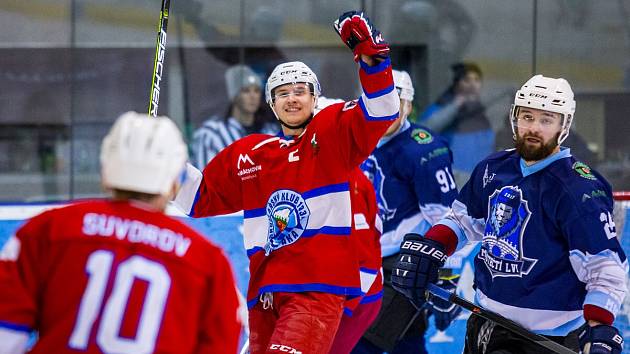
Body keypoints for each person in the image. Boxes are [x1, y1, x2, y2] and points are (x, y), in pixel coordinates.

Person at [172, 11, 398, 354]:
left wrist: (374, 61)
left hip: (315, 291)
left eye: (300, 91)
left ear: (315, 97)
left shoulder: (333, 135)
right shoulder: (250, 153)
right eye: (282, 93)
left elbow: (381, 112)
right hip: (264, 294)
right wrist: (163, 162)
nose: (292, 98)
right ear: (271, 103)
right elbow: (196, 200)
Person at [392, 75, 628, 354]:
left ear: (564, 125)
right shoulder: (494, 168)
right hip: (484, 325)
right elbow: (463, 220)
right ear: (514, 118)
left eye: (546, 120)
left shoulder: (579, 188)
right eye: (527, 117)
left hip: (547, 341)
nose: (533, 128)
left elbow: (604, 267)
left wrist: (599, 325)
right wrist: (434, 246)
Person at [0, 112, 242, 354]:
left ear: (106, 172)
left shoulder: (47, 231)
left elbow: (6, 336)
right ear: (175, 181)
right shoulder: (208, 262)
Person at [353, 69, 460, 354]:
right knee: (406, 342)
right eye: (379, 101)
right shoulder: (358, 140)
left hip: (405, 266)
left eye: (395, 102)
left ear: (409, 105)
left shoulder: (423, 152)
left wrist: (448, 277)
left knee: (361, 343)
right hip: (365, 263)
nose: (386, 111)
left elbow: (452, 218)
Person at [329, 167, 384, 354]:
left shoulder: (346, 185)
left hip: (355, 296)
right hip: (331, 293)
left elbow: (366, 264)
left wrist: (336, 311)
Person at [191, 64, 278, 168]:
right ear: (234, 96)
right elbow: (204, 178)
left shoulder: (270, 132)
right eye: (246, 91)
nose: (253, 96)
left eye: (256, 90)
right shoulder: (211, 134)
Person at [419, 62, 494, 183]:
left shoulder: (482, 113)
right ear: (456, 84)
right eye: (467, 80)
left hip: (480, 178)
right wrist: (455, 106)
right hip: (451, 178)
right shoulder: (441, 107)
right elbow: (422, 131)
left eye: (476, 80)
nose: (472, 85)